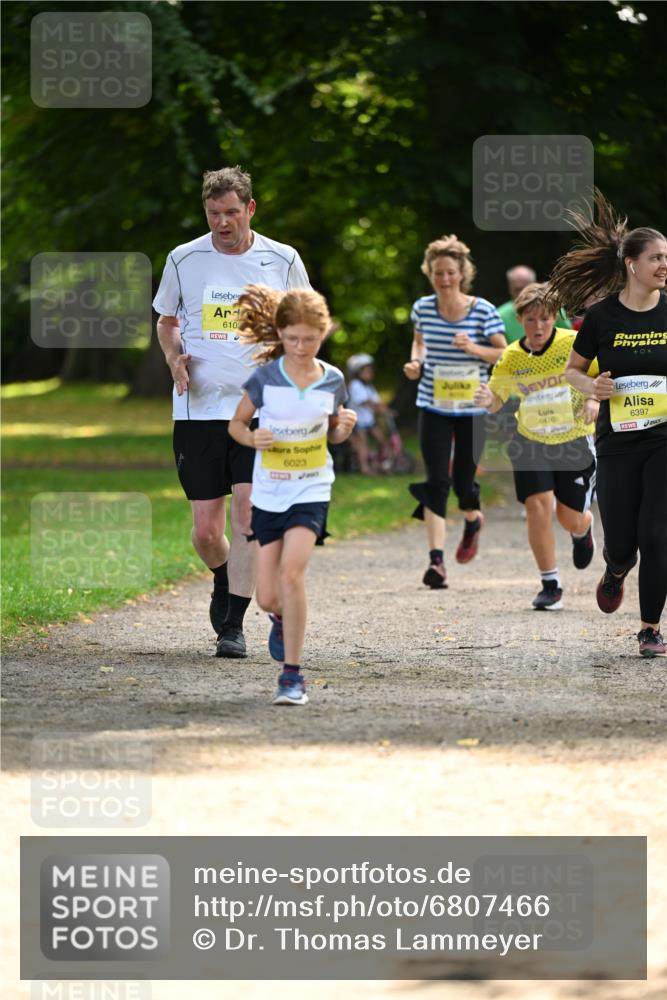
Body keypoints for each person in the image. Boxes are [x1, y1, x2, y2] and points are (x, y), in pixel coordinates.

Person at [153, 166, 311, 659]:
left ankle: (233, 625)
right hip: (198, 408)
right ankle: (225, 579)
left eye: (231, 213)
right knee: (205, 530)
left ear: (250, 209)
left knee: (246, 510)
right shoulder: (184, 259)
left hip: (261, 408)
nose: (222, 222)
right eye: (214, 213)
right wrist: (173, 356)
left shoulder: (281, 260)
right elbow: (167, 321)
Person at [548, 191, 666, 657]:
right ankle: (616, 569)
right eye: (656, 257)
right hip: (617, 442)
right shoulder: (601, 317)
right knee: (623, 542)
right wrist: (591, 387)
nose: (664, 265)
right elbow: (573, 370)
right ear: (632, 265)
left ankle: (650, 628)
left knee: (657, 532)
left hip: (663, 438)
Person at [229, 285, 356, 704]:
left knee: (292, 574)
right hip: (270, 493)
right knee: (267, 595)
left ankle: (292, 676)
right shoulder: (265, 379)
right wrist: (253, 439)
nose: (301, 346)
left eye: (310, 338)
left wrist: (344, 428)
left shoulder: (333, 379)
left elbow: (334, 431)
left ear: (324, 333)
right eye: (293, 338)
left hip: (312, 487)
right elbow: (236, 426)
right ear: (280, 334)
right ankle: (279, 617)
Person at [474, 283, 599, 610]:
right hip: (530, 439)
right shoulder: (512, 356)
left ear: (554, 317)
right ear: (520, 319)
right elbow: (496, 396)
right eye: (531, 320)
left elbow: (600, 375)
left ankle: (583, 529)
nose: (539, 326)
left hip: (573, 439)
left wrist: (593, 399)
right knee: (537, 505)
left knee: (568, 517)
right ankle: (550, 583)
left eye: (545, 319)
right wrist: (489, 399)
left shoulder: (574, 343)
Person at [403, 235, 507, 588]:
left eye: (450, 272)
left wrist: (473, 347)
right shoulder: (422, 308)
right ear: (429, 274)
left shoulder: (483, 310)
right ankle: (436, 562)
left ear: (462, 273)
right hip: (432, 404)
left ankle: (473, 518)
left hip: (471, 408)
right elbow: (420, 340)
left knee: (463, 481)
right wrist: (416, 362)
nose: (444, 279)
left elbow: (504, 355)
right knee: (436, 481)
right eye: (438, 273)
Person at [499, 264, 572, 343]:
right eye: (517, 290)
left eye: (544, 318)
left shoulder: (553, 306)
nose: (522, 294)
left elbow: (569, 338)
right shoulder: (500, 315)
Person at [346, 353, 390, 474]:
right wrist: (378, 409)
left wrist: (385, 409)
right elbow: (366, 402)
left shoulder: (368, 386)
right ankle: (365, 468)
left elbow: (377, 401)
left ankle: (382, 463)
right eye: (366, 371)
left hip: (369, 421)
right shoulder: (355, 385)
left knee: (382, 440)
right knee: (362, 445)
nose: (370, 374)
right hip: (358, 421)